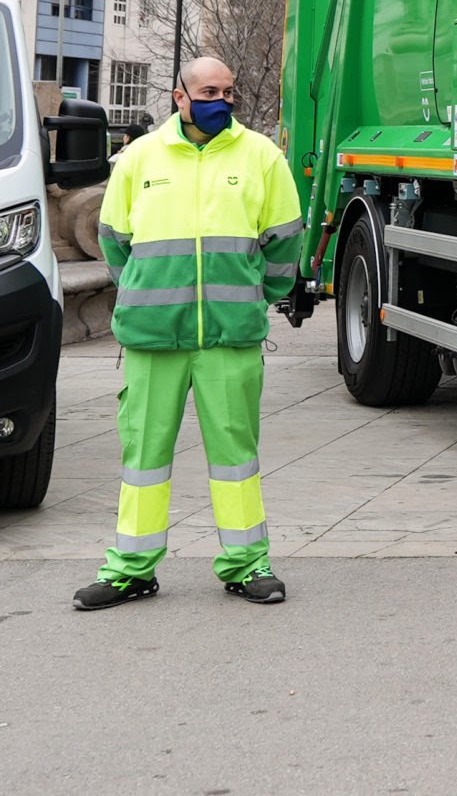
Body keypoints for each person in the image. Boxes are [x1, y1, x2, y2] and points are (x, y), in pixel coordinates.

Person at [73, 56, 304, 611]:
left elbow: (284, 244)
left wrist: (254, 296)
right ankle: (130, 570)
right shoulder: (138, 159)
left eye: (228, 92)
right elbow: (113, 242)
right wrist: (148, 294)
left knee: (235, 459)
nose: (220, 101)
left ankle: (248, 565)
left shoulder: (263, 158)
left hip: (230, 335)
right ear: (179, 96)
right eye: (208, 91)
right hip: (154, 336)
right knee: (144, 458)